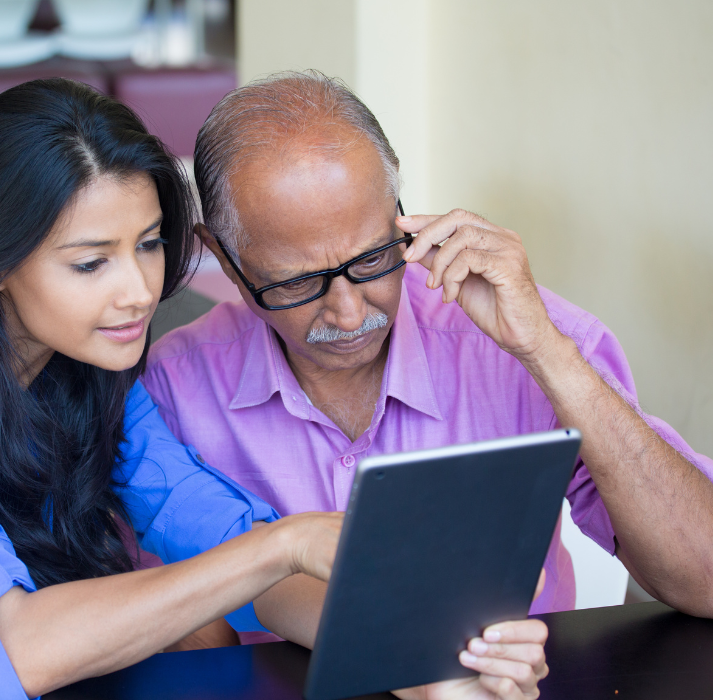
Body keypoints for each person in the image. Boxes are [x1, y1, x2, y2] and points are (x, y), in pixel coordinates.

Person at [0, 79, 546, 700]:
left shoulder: (92, 369)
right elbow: (10, 650)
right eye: (90, 262)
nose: (139, 292)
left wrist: (427, 659)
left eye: (149, 245)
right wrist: (281, 542)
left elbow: (225, 540)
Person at [142, 71, 713, 637]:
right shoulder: (172, 389)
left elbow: (704, 579)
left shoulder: (523, 338)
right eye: (297, 283)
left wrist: (545, 353)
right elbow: (164, 623)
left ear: (399, 211)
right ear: (224, 257)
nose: (348, 313)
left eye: (371, 260)